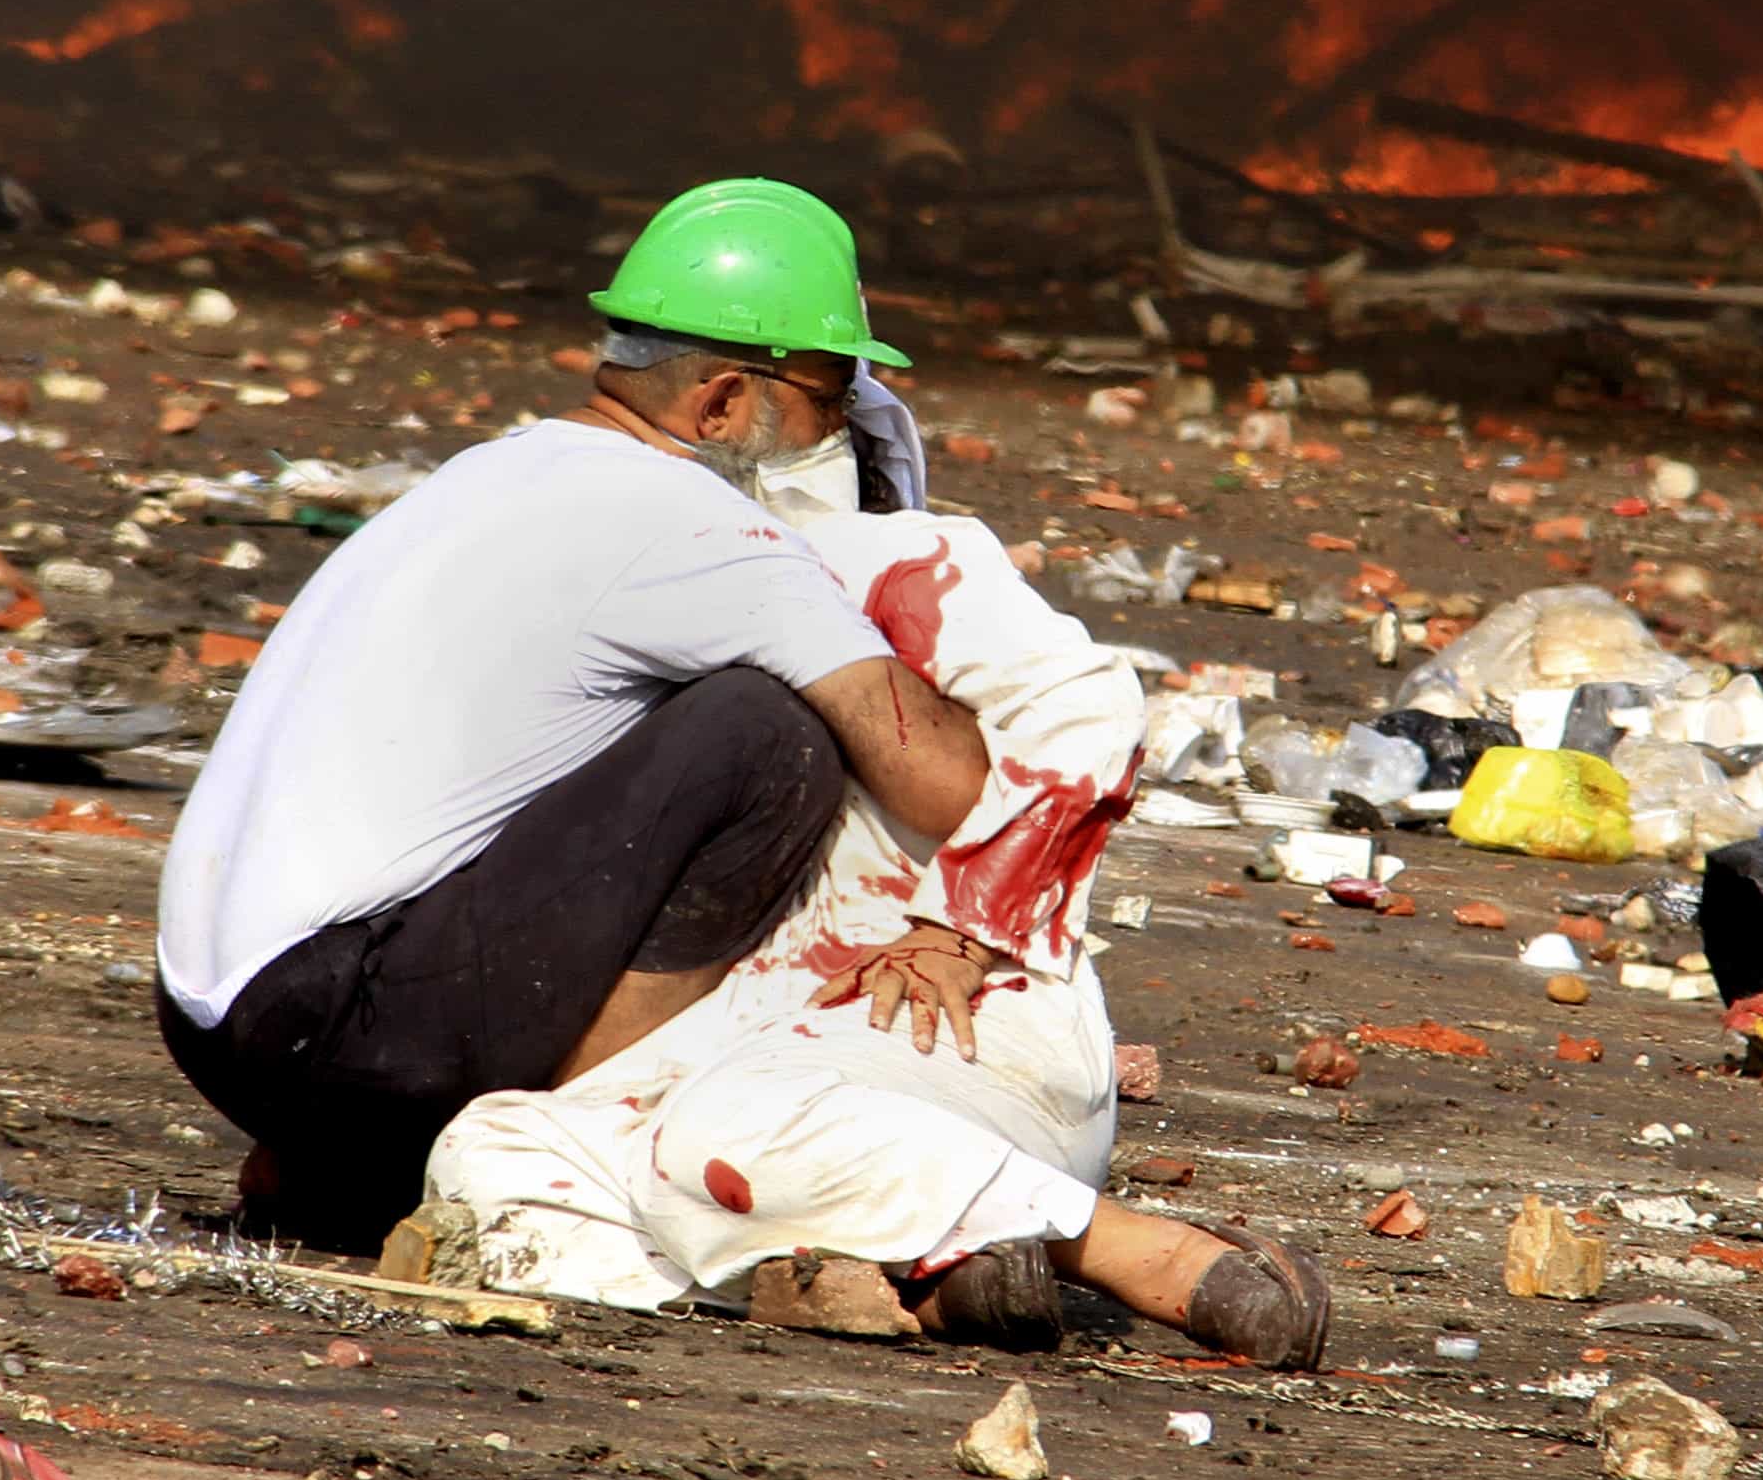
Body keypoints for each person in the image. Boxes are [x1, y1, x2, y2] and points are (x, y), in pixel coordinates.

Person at [156, 179, 997, 1253]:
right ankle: (563, 1143)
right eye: (833, 407)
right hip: (343, 1024)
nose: (844, 436)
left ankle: (346, 1160)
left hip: (213, 1016)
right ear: (724, 404)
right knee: (767, 739)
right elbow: (946, 782)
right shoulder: (692, 526)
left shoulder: (500, 471)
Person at [403, 427, 1331, 1366]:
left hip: (952, 1021)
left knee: (729, 1132)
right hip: (757, 1030)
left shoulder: (876, 562)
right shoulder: (625, 593)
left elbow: (1087, 709)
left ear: (721, 403)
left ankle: (1133, 1248)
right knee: (490, 1155)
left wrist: (961, 928)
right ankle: (889, 1280)